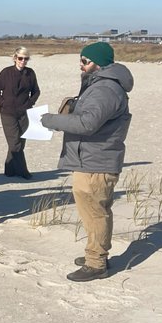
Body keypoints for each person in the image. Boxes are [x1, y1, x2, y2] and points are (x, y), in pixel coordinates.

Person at [40, 42, 134, 282]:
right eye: (80, 60)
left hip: (97, 161)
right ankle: (97, 252)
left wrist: (51, 120)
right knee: (93, 210)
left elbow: (87, 124)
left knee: (95, 211)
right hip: (91, 158)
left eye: (85, 61)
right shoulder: (101, 86)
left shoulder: (105, 89)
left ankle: (96, 262)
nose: (80, 65)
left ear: (98, 63)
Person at [0, 46, 41, 179]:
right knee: (15, 143)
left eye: (26, 59)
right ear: (15, 58)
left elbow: (36, 91)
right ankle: (23, 171)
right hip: (8, 113)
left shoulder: (30, 73)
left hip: (24, 112)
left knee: (20, 141)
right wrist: (2, 102)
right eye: (20, 58)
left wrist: (30, 103)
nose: (23, 61)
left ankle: (9, 169)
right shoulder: (6, 72)